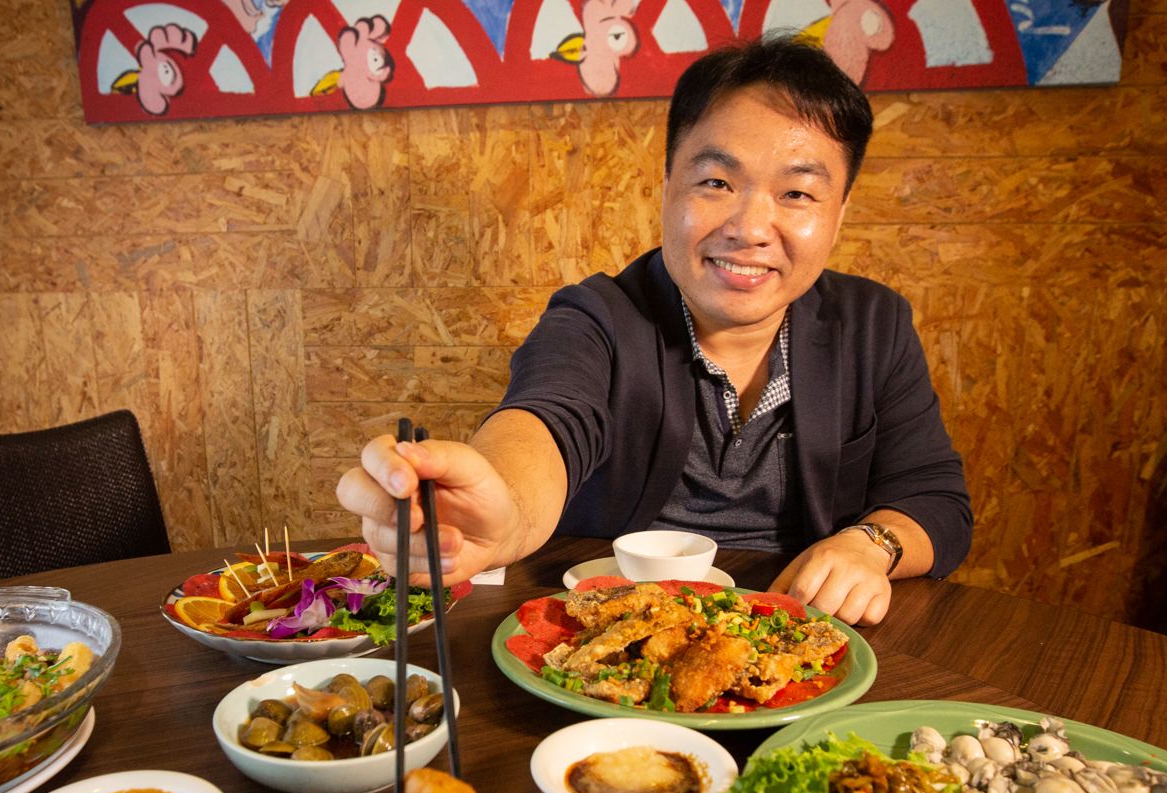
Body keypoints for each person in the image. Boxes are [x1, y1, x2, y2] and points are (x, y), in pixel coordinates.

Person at [337, 34, 971, 625]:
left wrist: (871, 544)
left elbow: (935, 499)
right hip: (614, 641)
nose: (751, 228)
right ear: (667, 186)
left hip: (799, 637)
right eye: (716, 182)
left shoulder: (872, 324)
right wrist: (501, 507)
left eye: (797, 194)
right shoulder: (595, 318)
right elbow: (546, 420)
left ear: (839, 212)